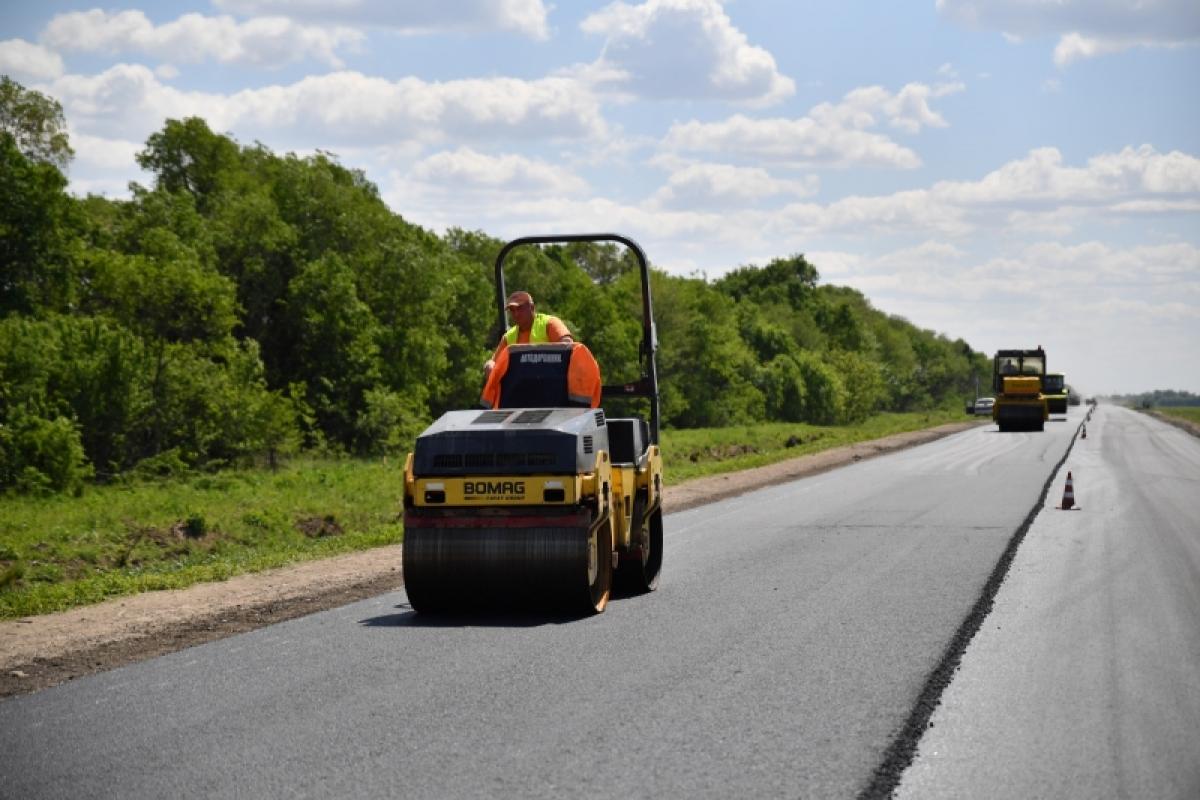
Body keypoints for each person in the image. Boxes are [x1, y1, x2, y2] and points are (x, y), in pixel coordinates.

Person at [482, 291, 573, 379]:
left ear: (532, 307)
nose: (516, 314)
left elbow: (569, 347)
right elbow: (493, 362)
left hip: (552, 384)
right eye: (512, 310)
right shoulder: (508, 337)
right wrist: (489, 365)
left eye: (520, 308)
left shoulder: (550, 323)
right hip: (523, 389)